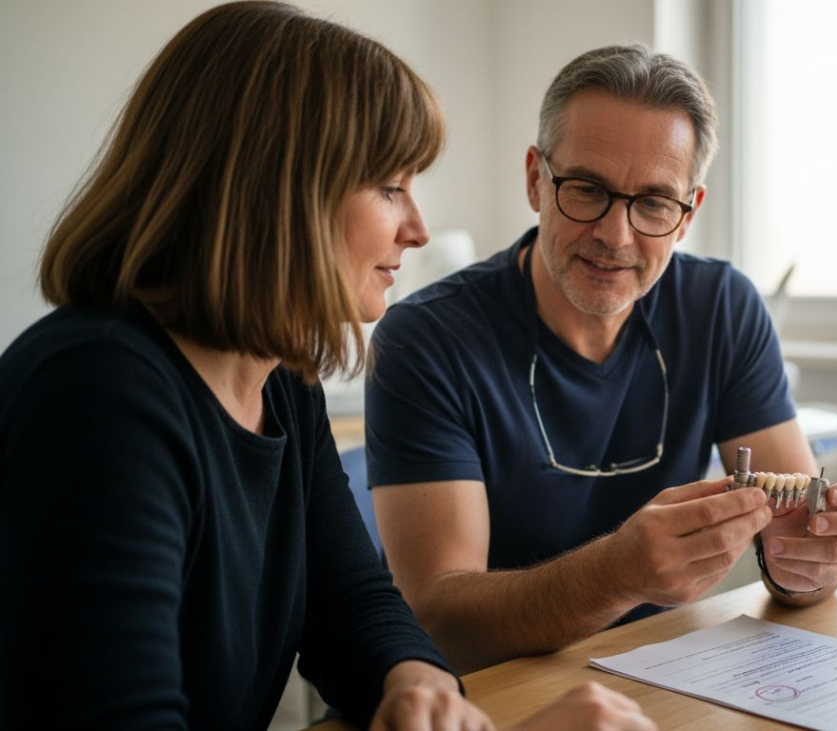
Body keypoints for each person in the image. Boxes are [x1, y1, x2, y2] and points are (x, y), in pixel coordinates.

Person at [0, 5, 653, 730]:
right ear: (279, 191)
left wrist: (412, 679)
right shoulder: (97, 397)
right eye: (390, 186)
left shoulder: (281, 383)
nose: (418, 229)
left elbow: (352, 604)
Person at [366, 44, 837, 674]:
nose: (616, 235)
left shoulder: (721, 308)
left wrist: (809, 566)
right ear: (535, 180)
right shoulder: (426, 339)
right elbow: (439, 625)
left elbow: (798, 549)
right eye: (587, 189)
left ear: (688, 215)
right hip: (485, 697)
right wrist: (615, 575)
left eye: (654, 203)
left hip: (656, 680)